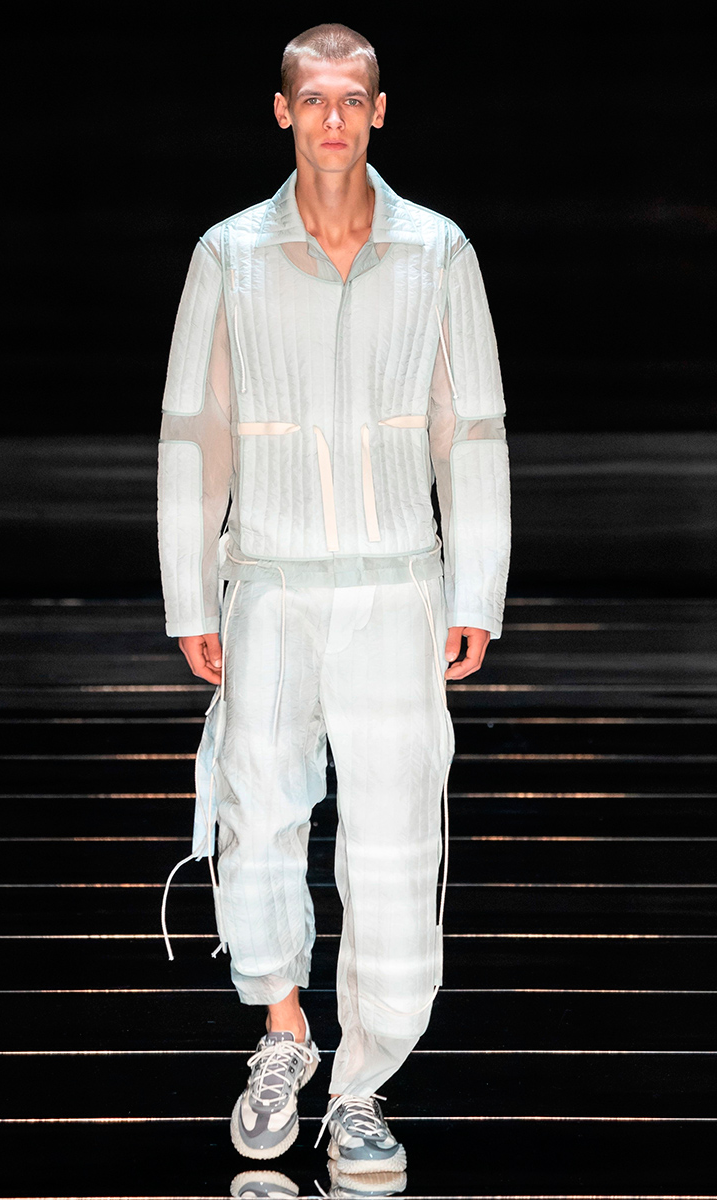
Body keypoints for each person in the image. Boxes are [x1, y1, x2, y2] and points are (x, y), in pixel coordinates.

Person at [156, 23, 511, 1177]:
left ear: (377, 111)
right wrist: (188, 595)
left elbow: (470, 431)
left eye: (349, 99)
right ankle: (283, 1032)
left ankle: (361, 1088)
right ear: (281, 110)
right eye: (311, 99)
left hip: (394, 586)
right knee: (256, 814)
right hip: (266, 584)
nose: (330, 119)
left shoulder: (436, 252)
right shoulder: (228, 256)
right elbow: (194, 431)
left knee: (395, 840)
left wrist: (475, 586)